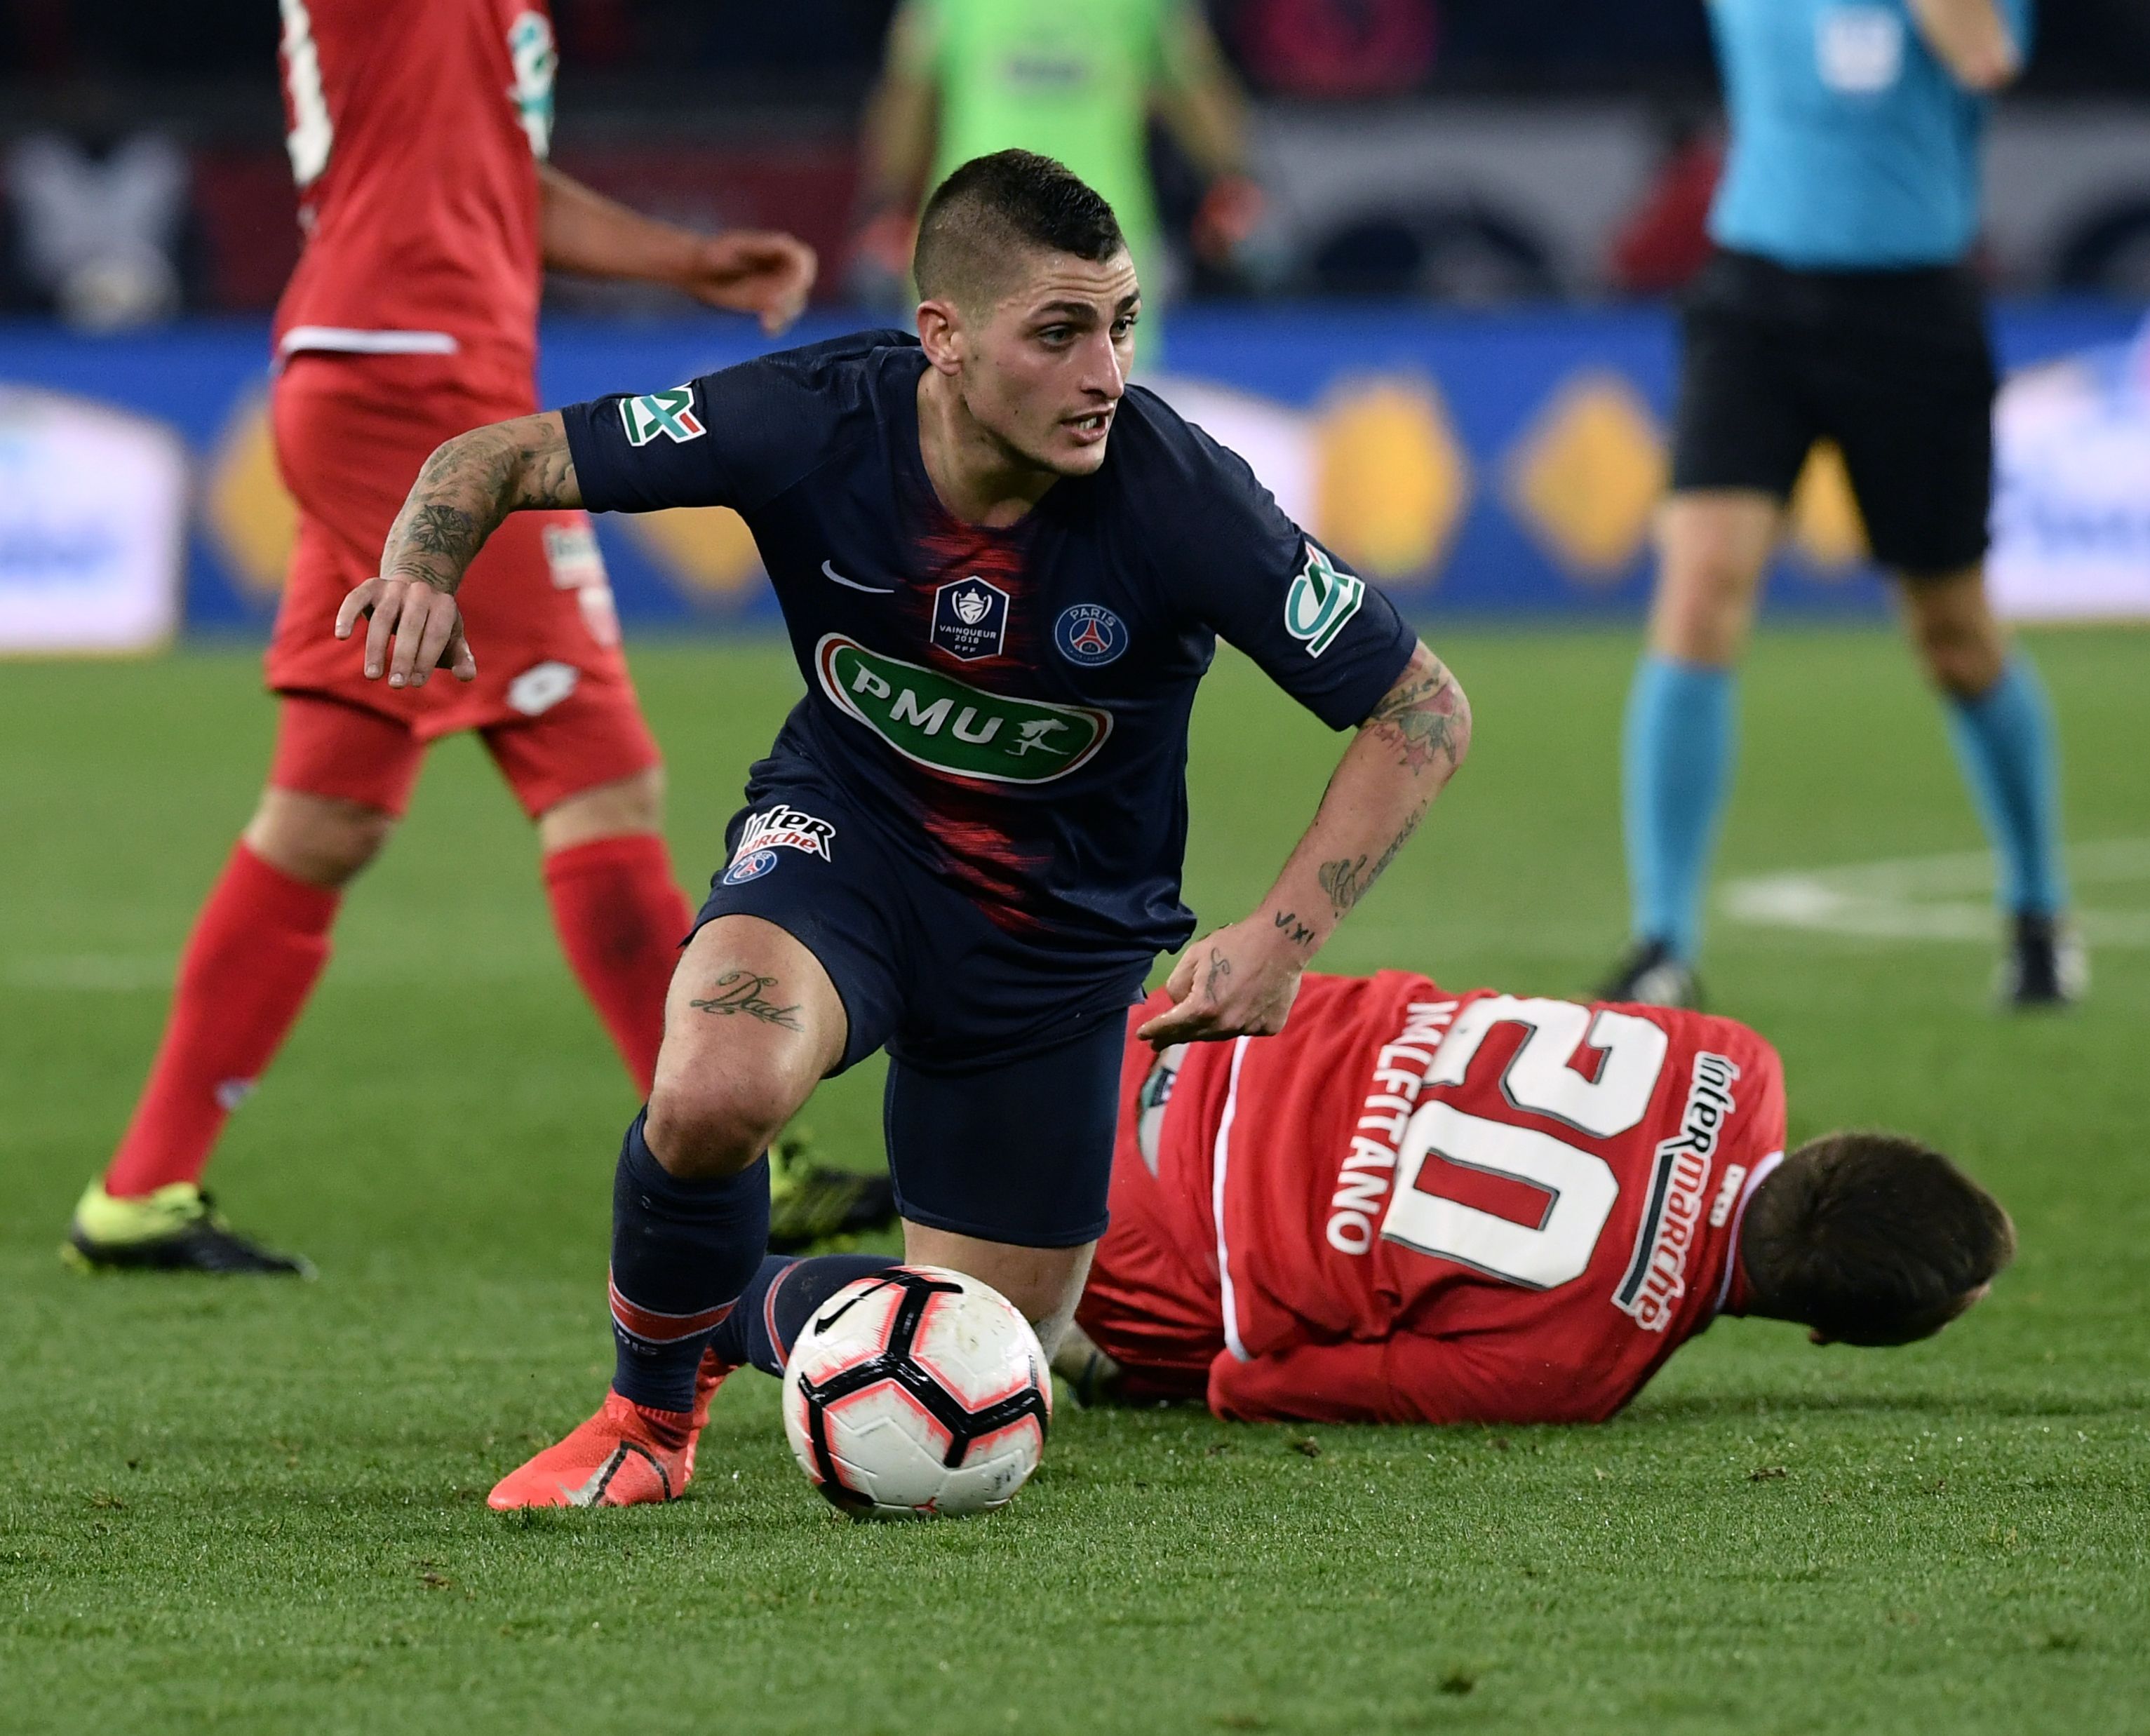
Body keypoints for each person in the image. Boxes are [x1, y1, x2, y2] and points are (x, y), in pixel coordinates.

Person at [335, 151, 1470, 1508]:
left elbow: (1419, 708)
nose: (1104, 371)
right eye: (1057, 333)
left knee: (986, 1367)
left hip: (1061, 946)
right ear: (940, 338)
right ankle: (646, 1424)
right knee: (713, 1091)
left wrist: (1284, 936)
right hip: (848, 847)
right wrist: (420, 562)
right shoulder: (811, 416)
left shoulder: (1179, 493)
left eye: (1119, 324)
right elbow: (498, 452)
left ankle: (719, 1302)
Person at [58, 0, 884, 1278]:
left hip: (383, 376)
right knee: (600, 780)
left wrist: (681, 263)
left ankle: (139, 1192)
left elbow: (494, 183)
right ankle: (742, 1158)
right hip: (415, 393)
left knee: (329, 811)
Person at [697, 968, 2014, 1429]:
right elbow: (1269, 1388)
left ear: (1851, 1143)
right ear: (1832, 1331)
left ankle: (890, 1182)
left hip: (1164, 1035)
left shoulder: (1731, 1054)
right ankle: (724, 1300)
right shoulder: (1583, 1367)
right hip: (1152, 1246)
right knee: (1063, 1358)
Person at [1607, 0, 2078, 1012]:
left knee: (1951, 631)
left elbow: (1986, 54)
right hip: (1754, 300)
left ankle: (2039, 911)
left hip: (1912, 309)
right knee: (1699, 587)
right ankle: (1663, 941)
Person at [852, 0, 1261, 368]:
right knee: (1102, 414)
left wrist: (889, 202)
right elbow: (1193, 82)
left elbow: (909, 90)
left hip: (988, 234)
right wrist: (1231, 182)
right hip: (1092, 242)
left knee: (964, 412)